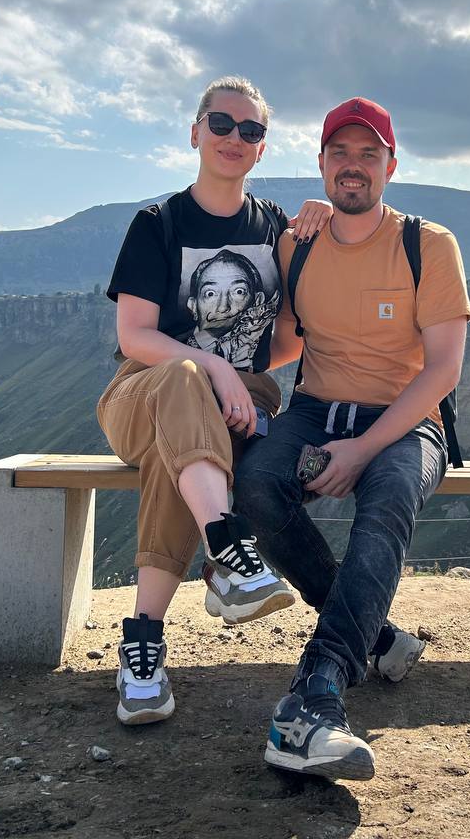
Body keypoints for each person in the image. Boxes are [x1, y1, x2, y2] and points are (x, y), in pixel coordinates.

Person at [234, 97, 470, 780]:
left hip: (405, 421)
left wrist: (364, 450)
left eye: (369, 154)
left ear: (391, 166)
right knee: (255, 483)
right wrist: (200, 369)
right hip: (314, 411)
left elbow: (443, 371)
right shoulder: (297, 243)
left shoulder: (429, 245)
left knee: (389, 495)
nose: (353, 166)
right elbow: (282, 343)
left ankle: (318, 691)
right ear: (321, 164)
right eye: (340, 153)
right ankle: (378, 635)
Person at [97, 75, 332, 726]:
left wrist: (324, 220)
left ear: (263, 147)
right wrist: (214, 367)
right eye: (222, 124)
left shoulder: (276, 228)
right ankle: (229, 554)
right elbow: (135, 336)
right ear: (196, 132)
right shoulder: (158, 224)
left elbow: (287, 340)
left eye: (250, 130)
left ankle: (143, 650)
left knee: (176, 462)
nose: (235, 138)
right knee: (181, 381)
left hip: (231, 411)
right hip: (142, 393)